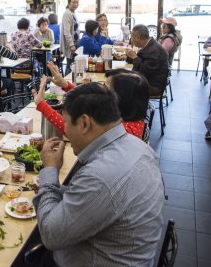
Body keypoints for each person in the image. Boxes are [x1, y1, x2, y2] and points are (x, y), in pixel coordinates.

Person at [32, 82, 164, 266]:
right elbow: (96, 199)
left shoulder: (99, 176)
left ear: (85, 123)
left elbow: (50, 234)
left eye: (67, 123)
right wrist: (59, 190)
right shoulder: (141, 148)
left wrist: (50, 171)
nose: (66, 132)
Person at [33, 62, 148, 139]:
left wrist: (42, 105)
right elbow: (92, 98)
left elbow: (76, 131)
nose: (101, 90)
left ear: (122, 98)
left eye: (107, 87)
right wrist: (66, 85)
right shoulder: (130, 118)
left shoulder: (120, 131)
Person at [126, 24, 170, 96]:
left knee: (120, 86)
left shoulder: (155, 50)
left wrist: (134, 57)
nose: (131, 40)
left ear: (138, 37)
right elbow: (140, 60)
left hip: (153, 86)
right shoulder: (148, 45)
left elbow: (145, 70)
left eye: (132, 37)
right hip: (146, 80)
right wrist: (129, 56)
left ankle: (132, 107)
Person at [60, 0, 79, 74]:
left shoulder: (72, 13)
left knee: (72, 64)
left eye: (77, 2)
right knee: (70, 65)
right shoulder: (67, 13)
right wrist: (71, 45)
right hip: (70, 45)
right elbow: (66, 31)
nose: (76, 4)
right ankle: (67, 84)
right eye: (73, 2)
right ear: (68, 3)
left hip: (74, 43)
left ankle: (69, 84)